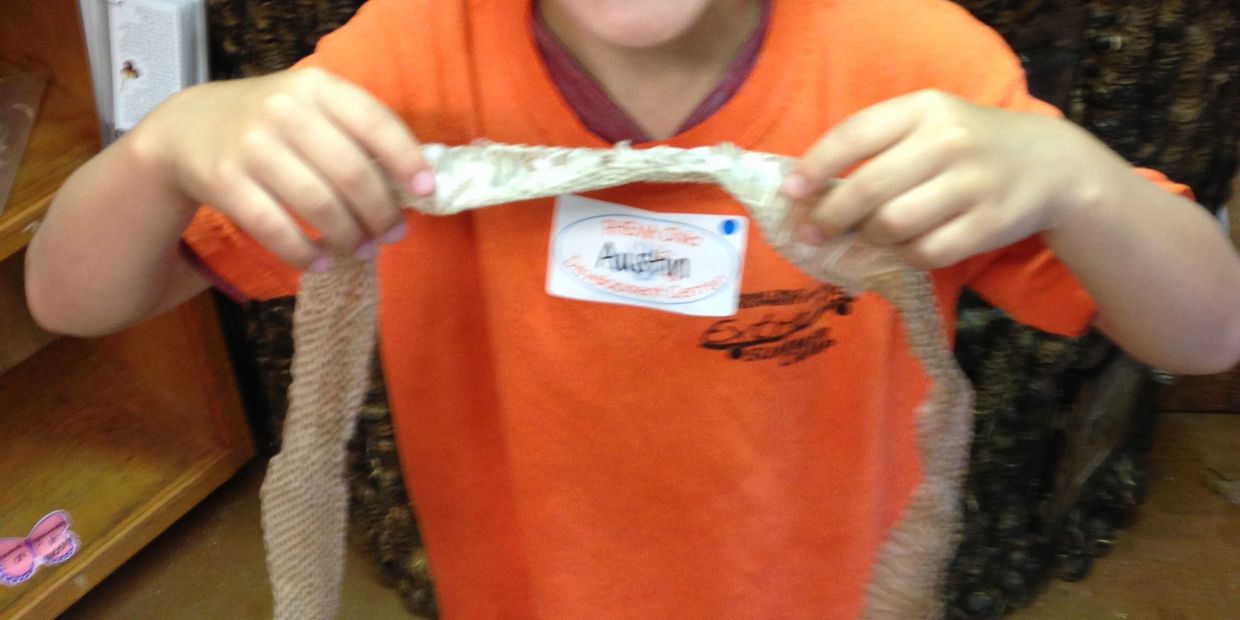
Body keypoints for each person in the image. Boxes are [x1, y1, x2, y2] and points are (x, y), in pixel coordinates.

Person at [24, 0, 1240, 617]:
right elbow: (71, 297)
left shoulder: (912, 62)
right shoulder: (401, 63)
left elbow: (1205, 329)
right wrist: (168, 147)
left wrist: (1075, 178)